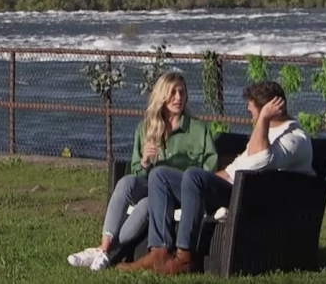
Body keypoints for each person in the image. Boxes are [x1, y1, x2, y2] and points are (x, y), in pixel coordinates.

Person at [116, 80, 314, 275]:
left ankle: (185, 257)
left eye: (253, 109)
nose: (249, 113)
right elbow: (233, 169)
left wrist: (262, 119)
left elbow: (259, 160)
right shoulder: (267, 132)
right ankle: (159, 252)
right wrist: (204, 180)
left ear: (269, 109)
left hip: (245, 195)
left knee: (193, 176)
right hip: (231, 185)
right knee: (160, 176)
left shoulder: (294, 138)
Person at [67, 72, 218, 271]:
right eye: (173, 92)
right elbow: (138, 171)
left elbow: (210, 165)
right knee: (126, 183)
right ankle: (103, 249)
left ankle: (104, 251)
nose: (178, 98)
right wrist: (145, 160)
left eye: (182, 92)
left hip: (182, 191)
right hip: (152, 186)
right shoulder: (146, 128)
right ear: (161, 96)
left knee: (148, 203)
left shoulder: (198, 130)